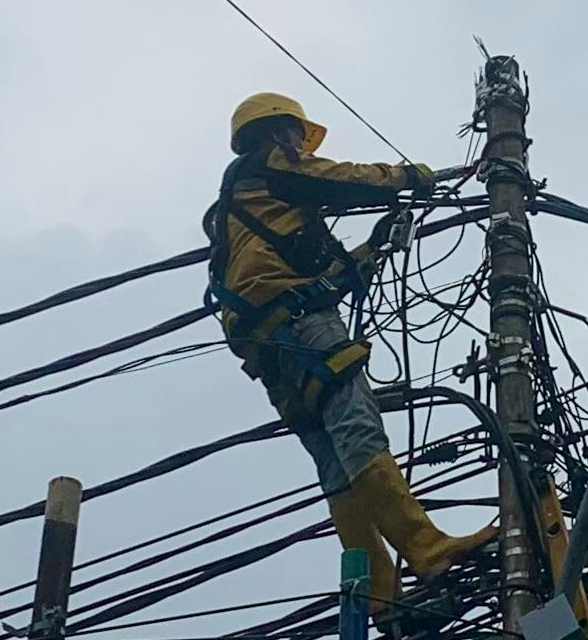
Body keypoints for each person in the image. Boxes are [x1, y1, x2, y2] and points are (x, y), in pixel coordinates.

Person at [207, 91, 493, 582]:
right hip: (300, 326)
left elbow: (327, 269)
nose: (302, 144)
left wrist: (376, 247)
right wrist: (407, 179)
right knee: (356, 423)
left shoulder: (251, 213)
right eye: (299, 134)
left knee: (334, 460)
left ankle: (377, 588)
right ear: (279, 131)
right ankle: (425, 547)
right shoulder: (269, 167)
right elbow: (338, 179)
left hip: (269, 347)